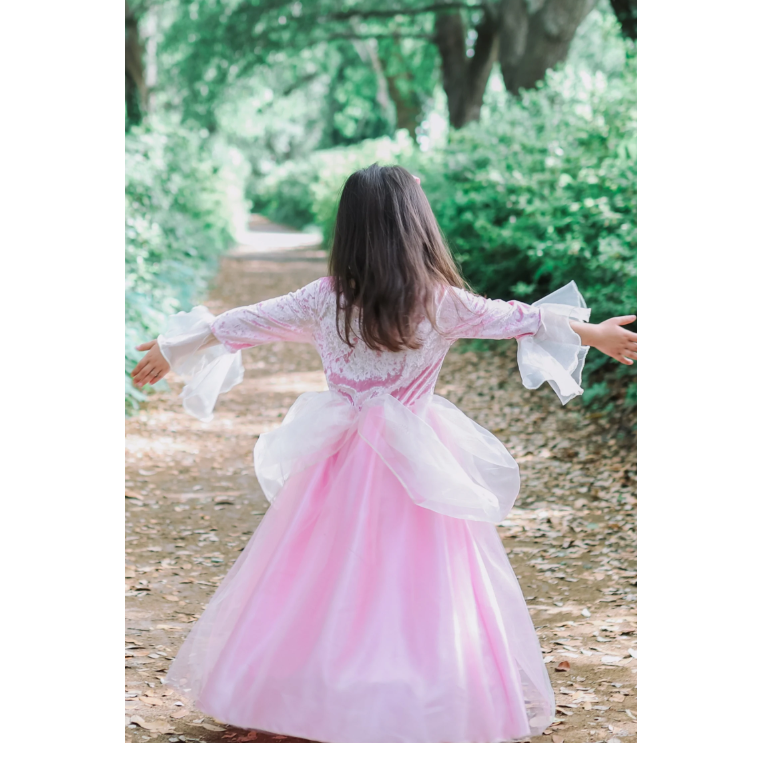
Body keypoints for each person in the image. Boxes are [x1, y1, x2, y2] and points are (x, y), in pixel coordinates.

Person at [131, 164, 637, 743]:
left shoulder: (326, 299)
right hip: (417, 463)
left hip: (339, 460)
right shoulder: (441, 302)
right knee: (420, 577)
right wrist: (593, 334)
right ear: (415, 226)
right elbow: (519, 318)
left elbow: (242, 322)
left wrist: (177, 347)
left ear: (349, 228)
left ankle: (300, 690)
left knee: (322, 570)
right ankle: (419, 686)